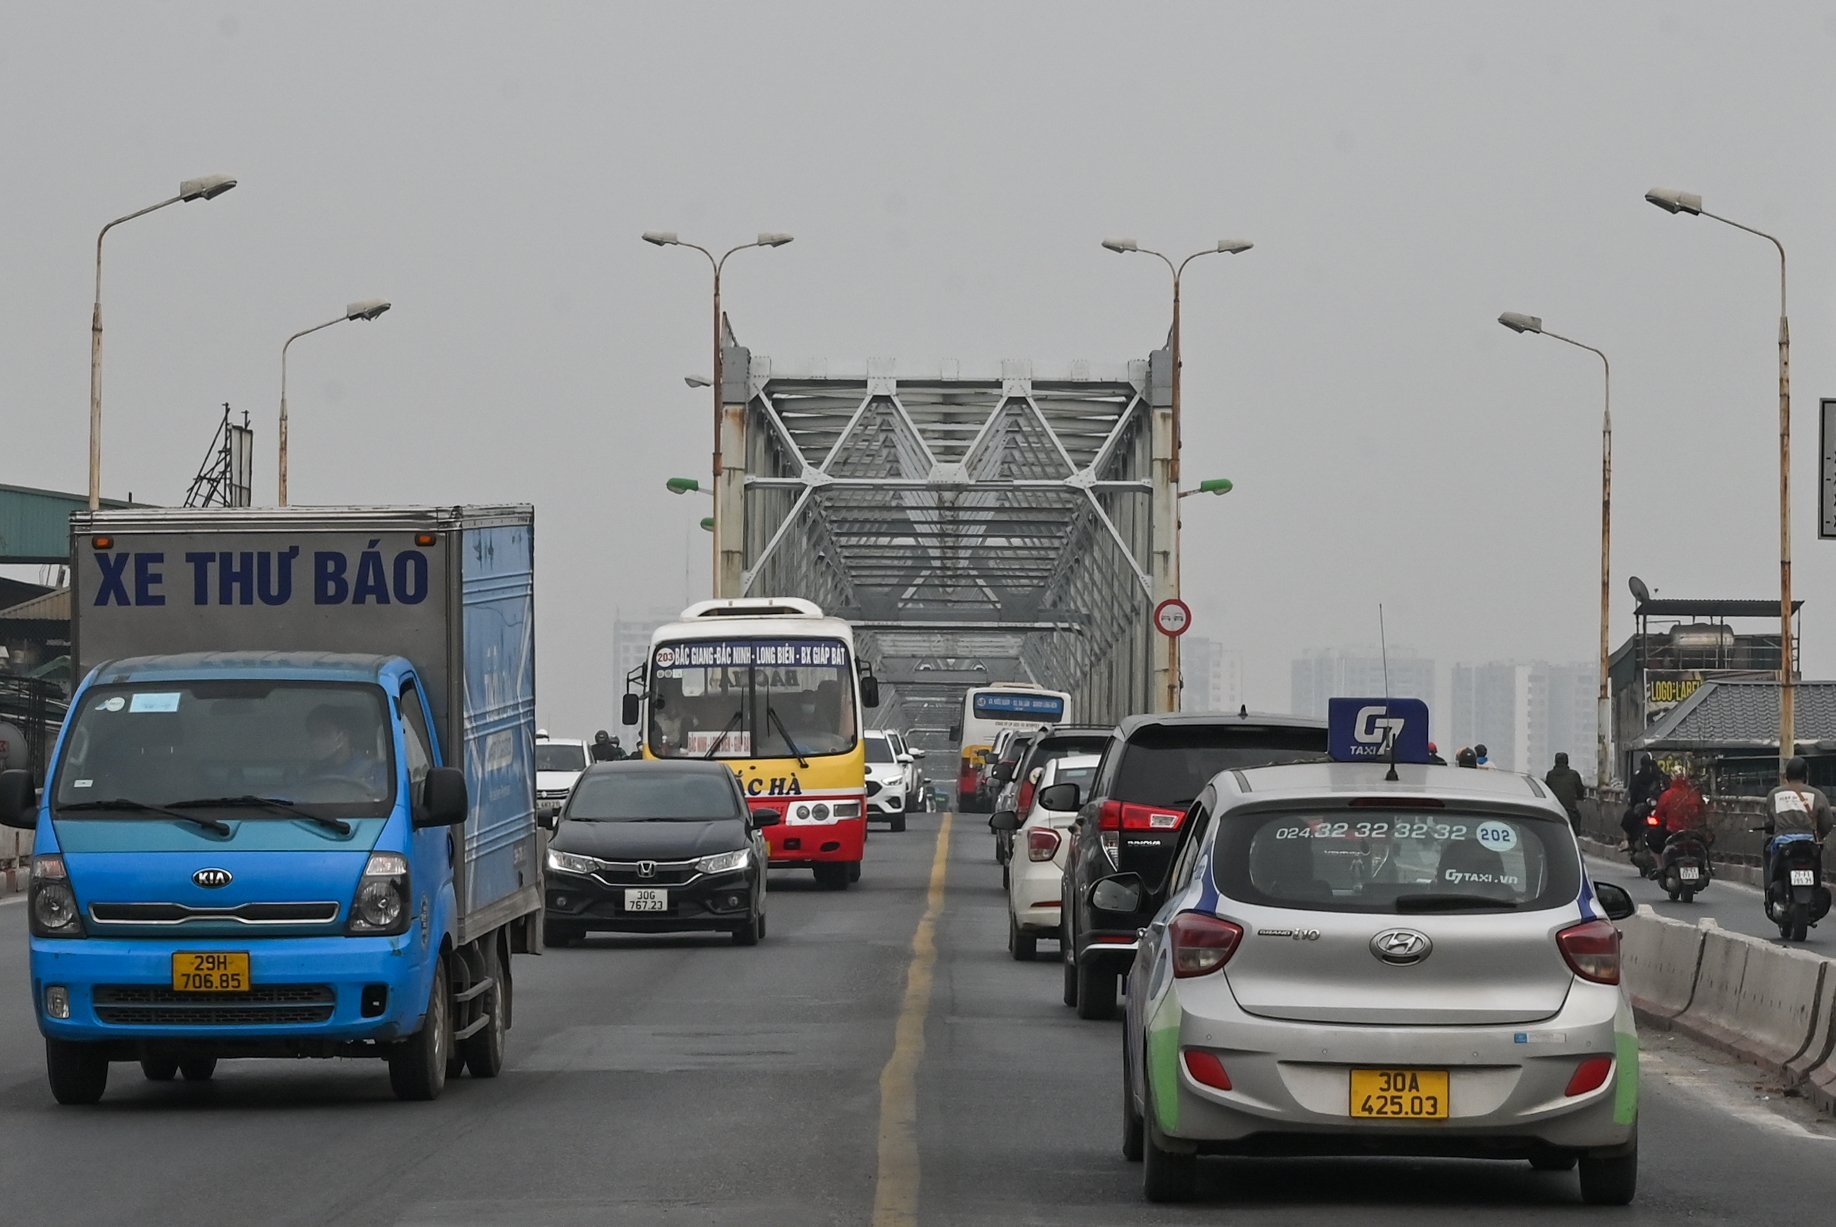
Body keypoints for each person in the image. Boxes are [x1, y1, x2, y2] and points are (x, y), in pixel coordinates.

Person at [1763, 756, 1832, 891]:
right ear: (1806, 775)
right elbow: (1828, 822)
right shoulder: (1817, 795)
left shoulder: (1775, 794)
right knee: (1817, 870)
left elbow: (1770, 819)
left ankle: (1771, 889)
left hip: (1783, 844)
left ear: (1786, 775)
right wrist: (1819, 835)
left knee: (1770, 856)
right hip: (1809, 844)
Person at [303, 704, 387, 796]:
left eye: (323, 732)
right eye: (313, 734)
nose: (315, 740)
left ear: (344, 735)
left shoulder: (375, 770)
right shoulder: (312, 773)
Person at [1620, 754, 1663, 852]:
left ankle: (1626, 841)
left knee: (1628, 817)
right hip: (1650, 807)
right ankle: (1627, 841)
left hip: (1652, 807)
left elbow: (1633, 793)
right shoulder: (1659, 776)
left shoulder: (1642, 776)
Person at [1543, 751, 1587, 828]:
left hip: (1554, 809)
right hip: (1569, 810)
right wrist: (1580, 797)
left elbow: (1547, 790)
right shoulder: (1573, 774)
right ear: (1567, 761)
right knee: (1576, 820)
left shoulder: (1550, 775)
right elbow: (1580, 791)